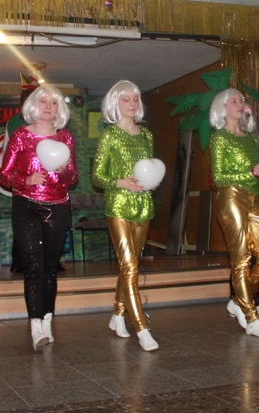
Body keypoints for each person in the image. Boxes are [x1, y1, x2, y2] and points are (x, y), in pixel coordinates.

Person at [0, 83, 78, 349]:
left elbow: (73, 177)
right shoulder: (21, 135)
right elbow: (5, 174)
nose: (48, 106)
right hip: (26, 206)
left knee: (50, 268)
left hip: (58, 206)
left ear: (59, 109)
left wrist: (65, 171)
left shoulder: (65, 138)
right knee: (33, 266)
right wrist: (26, 179)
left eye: (54, 103)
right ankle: (36, 326)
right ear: (33, 105)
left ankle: (47, 320)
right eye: (43, 101)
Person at [209, 88, 259, 338]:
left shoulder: (251, 139)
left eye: (242, 100)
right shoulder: (220, 138)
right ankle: (251, 318)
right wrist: (253, 172)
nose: (240, 104)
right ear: (223, 108)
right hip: (232, 198)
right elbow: (219, 177)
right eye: (234, 101)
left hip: (255, 197)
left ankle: (238, 300)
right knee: (240, 259)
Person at [92, 80, 160, 352]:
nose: (132, 103)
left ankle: (118, 314)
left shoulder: (147, 135)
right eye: (126, 99)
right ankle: (141, 327)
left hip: (144, 207)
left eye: (135, 98)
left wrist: (153, 181)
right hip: (118, 206)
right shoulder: (110, 135)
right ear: (115, 102)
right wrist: (120, 182)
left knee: (129, 266)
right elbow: (97, 176)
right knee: (131, 266)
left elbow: (149, 168)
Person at [4, 74, 37, 274]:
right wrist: (17, 178)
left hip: (46, 182)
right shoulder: (14, 123)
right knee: (23, 221)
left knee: (47, 222)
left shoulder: (50, 121)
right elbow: (6, 152)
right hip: (23, 181)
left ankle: (50, 261)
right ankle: (19, 261)